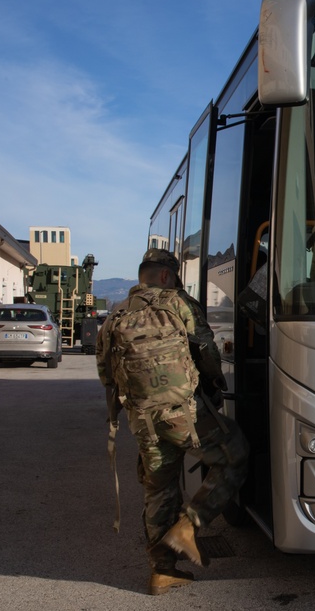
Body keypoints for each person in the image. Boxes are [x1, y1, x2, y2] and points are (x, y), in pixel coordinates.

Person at [96, 249, 249, 595]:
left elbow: (105, 373)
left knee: (159, 488)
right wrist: (215, 383)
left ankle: (162, 571)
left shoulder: (116, 314)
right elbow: (207, 350)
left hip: (142, 419)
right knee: (234, 454)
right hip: (184, 415)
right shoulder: (179, 302)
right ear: (166, 276)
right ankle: (189, 526)